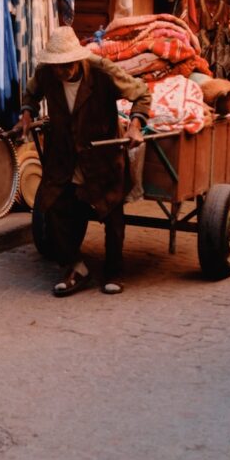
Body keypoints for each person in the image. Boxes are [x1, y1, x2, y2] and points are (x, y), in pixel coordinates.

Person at [17, 26, 151, 297]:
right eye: (56, 66)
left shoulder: (102, 72)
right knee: (51, 204)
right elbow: (30, 94)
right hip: (65, 154)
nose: (60, 71)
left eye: (65, 66)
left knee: (112, 211)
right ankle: (75, 267)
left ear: (77, 59)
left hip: (101, 154)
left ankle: (113, 271)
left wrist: (135, 126)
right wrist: (27, 114)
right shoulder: (46, 74)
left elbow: (141, 93)